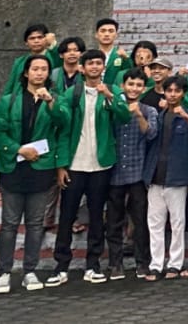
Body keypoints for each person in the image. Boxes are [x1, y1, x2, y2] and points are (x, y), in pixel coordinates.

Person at [0, 54, 66, 294]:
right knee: (9, 223)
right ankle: (4, 271)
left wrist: (51, 102)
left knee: (35, 223)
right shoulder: (8, 101)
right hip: (13, 167)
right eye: (35, 69)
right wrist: (17, 149)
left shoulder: (55, 99)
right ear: (26, 73)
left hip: (41, 168)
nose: (40, 73)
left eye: (44, 69)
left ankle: (29, 270)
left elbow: (64, 123)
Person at [53, 48, 129, 286]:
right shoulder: (71, 93)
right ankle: (61, 265)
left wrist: (108, 96)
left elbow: (124, 116)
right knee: (67, 215)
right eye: (91, 64)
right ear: (82, 69)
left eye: (99, 63)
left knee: (97, 216)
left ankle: (92, 264)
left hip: (101, 164)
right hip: (75, 164)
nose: (95, 67)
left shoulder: (113, 91)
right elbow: (62, 127)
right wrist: (61, 165)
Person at [145, 75, 188, 279]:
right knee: (155, 223)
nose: (173, 95)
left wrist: (185, 117)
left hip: (177, 177)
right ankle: (156, 263)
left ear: (183, 93)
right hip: (155, 176)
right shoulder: (158, 116)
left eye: (177, 91)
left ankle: (175, 263)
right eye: (169, 91)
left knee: (178, 222)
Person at [105, 69, 157, 281]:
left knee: (140, 220)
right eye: (130, 84)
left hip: (138, 173)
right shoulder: (112, 109)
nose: (134, 88)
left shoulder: (149, 110)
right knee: (114, 221)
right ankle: (115, 263)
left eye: (138, 85)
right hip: (114, 171)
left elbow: (152, 133)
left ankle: (142, 263)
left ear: (143, 88)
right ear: (123, 86)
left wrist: (137, 114)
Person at [3, 24, 60, 97]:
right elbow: (10, 85)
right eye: (32, 38)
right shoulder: (19, 61)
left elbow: (60, 62)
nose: (36, 41)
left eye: (40, 37)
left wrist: (53, 45)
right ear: (26, 42)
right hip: (21, 98)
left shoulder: (53, 57)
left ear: (46, 39)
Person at [94, 18, 133, 87]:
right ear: (96, 35)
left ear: (116, 35)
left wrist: (126, 59)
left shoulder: (123, 56)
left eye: (111, 31)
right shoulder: (90, 56)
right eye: (103, 31)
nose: (106, 34)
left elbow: (131, 75)